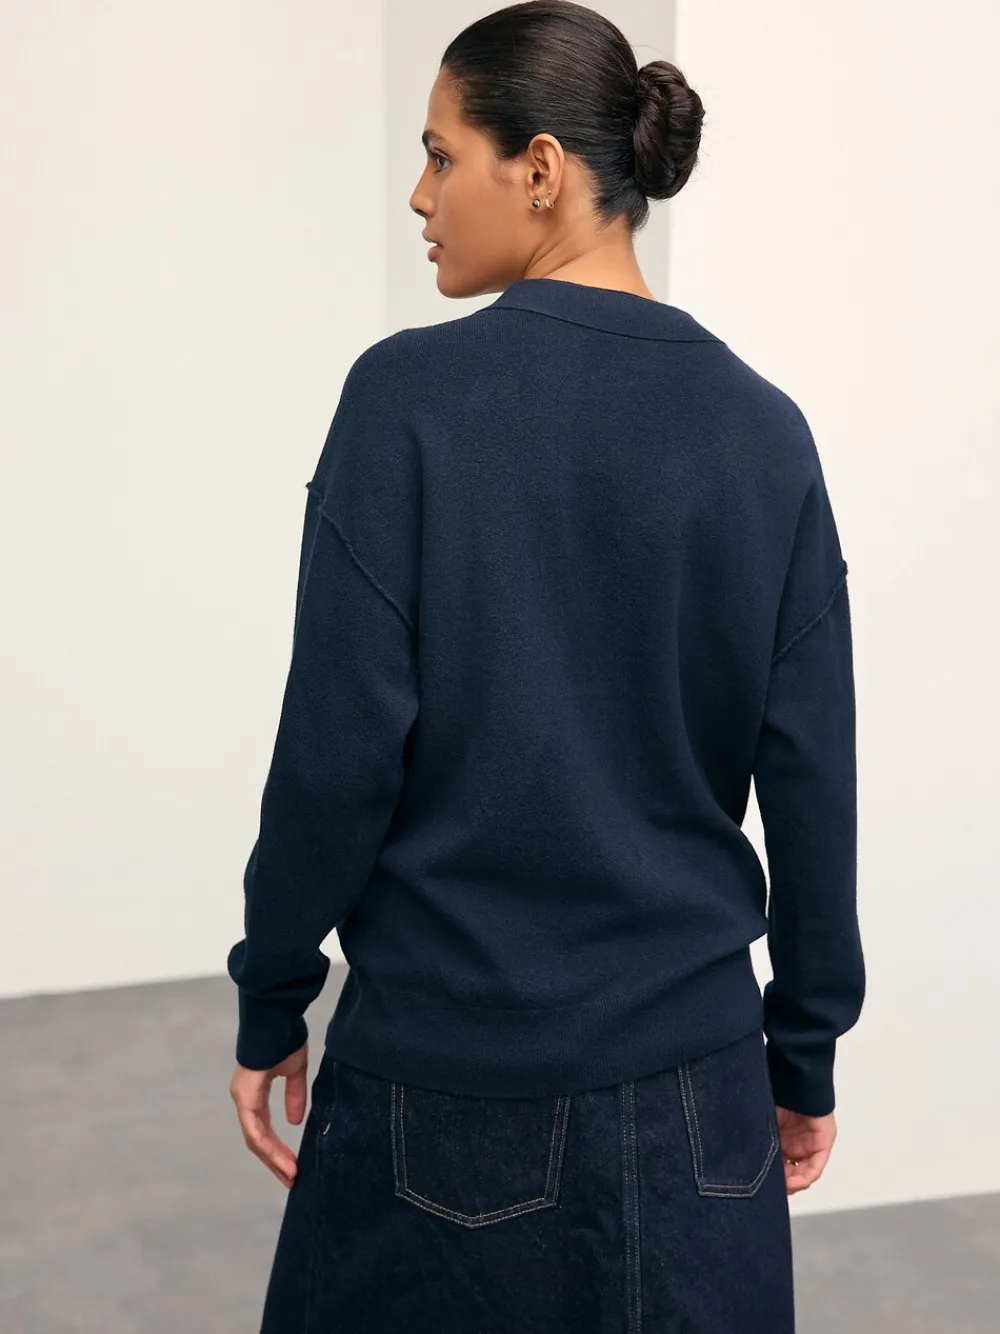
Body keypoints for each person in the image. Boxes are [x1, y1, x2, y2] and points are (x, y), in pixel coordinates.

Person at [226, 2, 865, 1330]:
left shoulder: (406, 402)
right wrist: (802, 1049)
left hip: (449, 1085)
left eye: (439, 154)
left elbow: (336, 756)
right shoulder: (765, 434)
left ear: (540, 170)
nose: (420, 195)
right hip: (704, 1096)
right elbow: (812, 779)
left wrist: (273, 992)